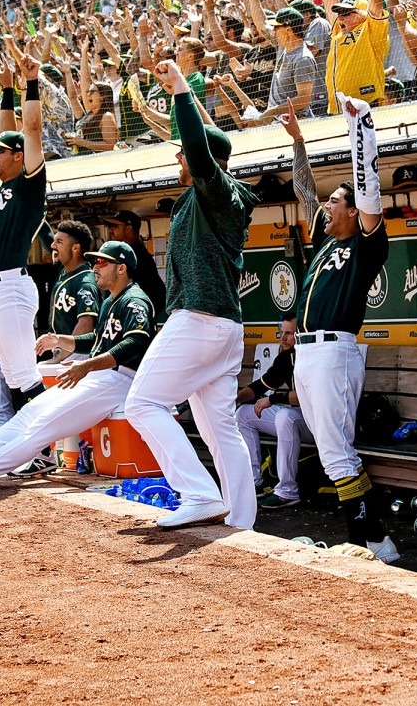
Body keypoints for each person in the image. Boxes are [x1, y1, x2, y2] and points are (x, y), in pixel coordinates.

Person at [123, 59, 258, 531]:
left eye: (183, 153)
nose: (178, 159)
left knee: (141, 404)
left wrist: (181, 89)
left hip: (200, 320)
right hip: (219, 325)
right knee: (221, 431)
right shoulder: (203, 198)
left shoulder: (218, 191)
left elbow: (200, 154)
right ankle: (241, 522)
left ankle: (199, 493)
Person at [0, 240, 156, 492]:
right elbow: (98, 340)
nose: (95, 267)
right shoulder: (110, 300)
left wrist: (86, 367)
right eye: (95, 261)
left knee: (42, 427)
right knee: (28, 415)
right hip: (99, 375)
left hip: (119, 379)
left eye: (102, 262)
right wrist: (62, 340)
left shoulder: (134, 299)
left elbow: (136, 342)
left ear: (122, 268)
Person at [283, 94, 399, 562]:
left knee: (336, 455)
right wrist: (298, 144)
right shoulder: (326, 241)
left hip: (335, 350)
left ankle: (367, 544)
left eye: (337, 203)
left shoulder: (366, 245)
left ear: (355, 213)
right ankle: (374, 540)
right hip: (308, 353)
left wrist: (361, 132)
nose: (326, 209)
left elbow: (369, 197)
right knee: (334, 453)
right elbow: (305, 193)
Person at [0, 48, 49, 411]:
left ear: (19, 157)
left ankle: (54, 443)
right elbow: (8, 133)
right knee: (17, 377)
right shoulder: (7, 182)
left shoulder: (28, 185)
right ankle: (44, 446)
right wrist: (6, 88)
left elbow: (29, 131)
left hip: (9, 288)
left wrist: (30, 82)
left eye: (0, 152)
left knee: (26, 375)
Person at [5, 219, 101, 478]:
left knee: (54, 411)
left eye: (60, 241)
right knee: (50, 410)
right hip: (66, 354)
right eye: (54, 240)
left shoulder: (85, 279)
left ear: (77, 248)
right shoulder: (66, 271)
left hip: (79, 355)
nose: (53, 245)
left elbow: (86, 321)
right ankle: (49, 456)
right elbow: (48, 237)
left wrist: (59, 358)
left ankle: (51, 457)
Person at [234, 314, 311, 509]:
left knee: (286, 416)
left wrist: (273, 399)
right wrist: (233, 399)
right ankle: (254, 483)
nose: (282, 338)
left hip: (319, 423)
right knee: (243, 414)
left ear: (301, 335)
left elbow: (308, 396)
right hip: (301, 419)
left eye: (288, 333)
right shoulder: (286, 356)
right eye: (281, 333)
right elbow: (260, 386)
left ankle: (287, 491)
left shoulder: (312, 356)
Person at [322, 0, 390, 113]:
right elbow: (329, 1)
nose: (342, 16)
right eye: (341, 13)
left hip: (367, 105)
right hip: (338, 109)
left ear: (363, 14)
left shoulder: (371, 28)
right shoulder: (339, 29)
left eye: (348, 13)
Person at [102, 210, 166, 318]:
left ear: (128, 228)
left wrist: (141, 316)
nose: (110, 230)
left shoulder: (139, 256)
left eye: (114, 226)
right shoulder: (129, 253)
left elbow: (158, 293)